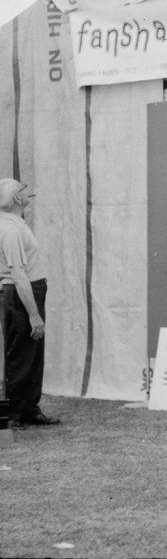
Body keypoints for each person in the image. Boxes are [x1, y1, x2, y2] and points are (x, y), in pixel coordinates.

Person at [0, 179, 59, 428]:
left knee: (32, 352)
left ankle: (28, 409)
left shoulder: (15, 224)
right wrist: (34, 314)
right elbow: (18, 273)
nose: (27, 192)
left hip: (26, 291)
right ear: (16, 199)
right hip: (21, 293)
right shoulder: (10, 229)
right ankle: (14, 413)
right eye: (23, 189)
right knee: (22, 353)